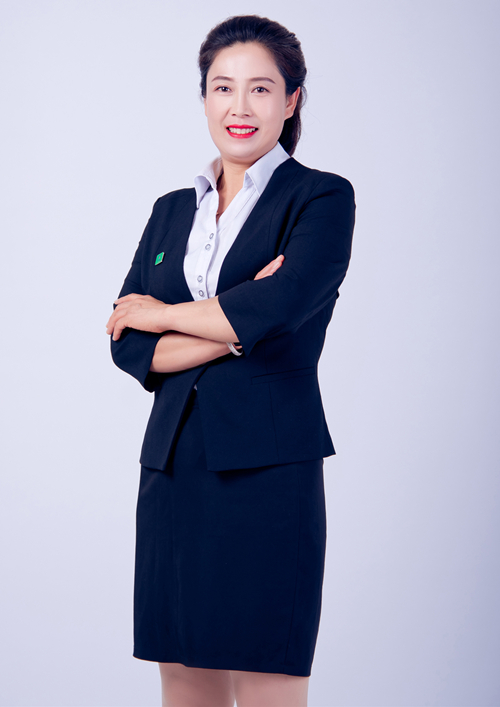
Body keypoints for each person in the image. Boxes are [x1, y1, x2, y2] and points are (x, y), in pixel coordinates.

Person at [106, 14, 355, 707]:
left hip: (267, 470)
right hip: (172, 467)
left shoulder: (321, 197)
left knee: (269, 678)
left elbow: (280, 307)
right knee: (184, 678)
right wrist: (238, 321)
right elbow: (128, 345)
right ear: (204, 97)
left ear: (292, 100)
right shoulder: (170, 210)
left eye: (260, 88)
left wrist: (160, 313)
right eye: (222, 87)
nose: (239, 107)